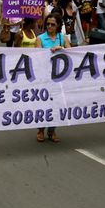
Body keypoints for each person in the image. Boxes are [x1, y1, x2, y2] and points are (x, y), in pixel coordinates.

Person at [35, 13, 71, 143]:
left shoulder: (63, 38)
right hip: (45, 77)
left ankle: (52, 130)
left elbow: (72, 54)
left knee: (57, 104)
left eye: (53, 24)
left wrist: (61, 49)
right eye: (48, 24)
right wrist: (49, 52)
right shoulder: (40, 38)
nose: (49, 26)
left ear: (58, 26)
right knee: (44, 104)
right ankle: (40, 130)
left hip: (59, 77)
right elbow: (37, 56)